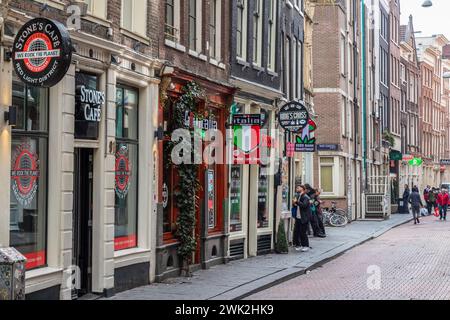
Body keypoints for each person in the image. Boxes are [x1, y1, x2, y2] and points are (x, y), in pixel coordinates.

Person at [292, 185, 312, 252]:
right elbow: (298, 205)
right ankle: (299, 245)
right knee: (297, 231)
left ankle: (306, 246)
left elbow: (304, 205)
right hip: (298, 217)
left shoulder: (306, 197)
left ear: (303, 189)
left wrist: (296, 202)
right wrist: (295, 203)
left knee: (303, 232)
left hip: (304, 217)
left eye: (298, 187)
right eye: (296, 187)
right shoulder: (299, 196)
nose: (297, 188)